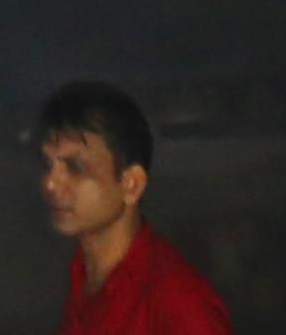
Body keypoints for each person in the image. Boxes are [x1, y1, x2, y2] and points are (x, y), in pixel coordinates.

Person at [35, 81, 229, 335]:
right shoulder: (83, 275)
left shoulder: (179, 302)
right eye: (48, 165)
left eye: (76, 168)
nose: (50, 183)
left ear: (131, 184)